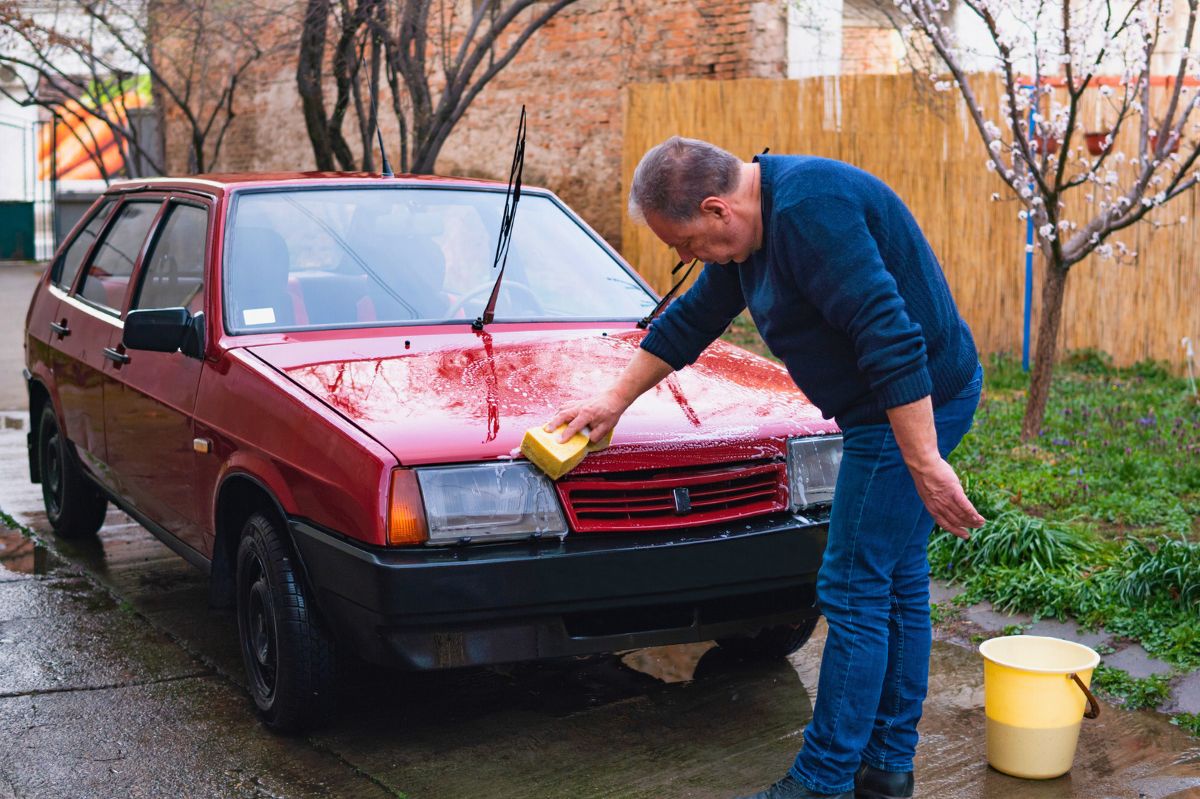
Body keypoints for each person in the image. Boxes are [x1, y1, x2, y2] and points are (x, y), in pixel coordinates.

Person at [545, 136, 985, 799]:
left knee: (854, 585)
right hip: (885, 405)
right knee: (893, 578)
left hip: (914, 400)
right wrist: (612, 400)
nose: (686, 258)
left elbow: (892, 338)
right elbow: (693, 318)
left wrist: (923, 461)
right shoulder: (753, 230)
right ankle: (888, 766)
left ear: (718, 208)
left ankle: (824, 779)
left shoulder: (813, 213)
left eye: (687, 243)